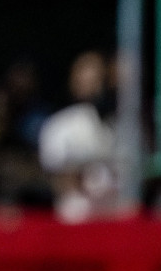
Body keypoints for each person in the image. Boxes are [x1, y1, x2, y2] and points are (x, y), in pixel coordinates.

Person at [38, 50, 119, 222]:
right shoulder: (59, 125)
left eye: (99, 79)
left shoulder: (121, 125)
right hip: (77, 217)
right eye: (85, 78)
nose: (93, 86)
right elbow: (57, 177)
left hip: (117, 216)